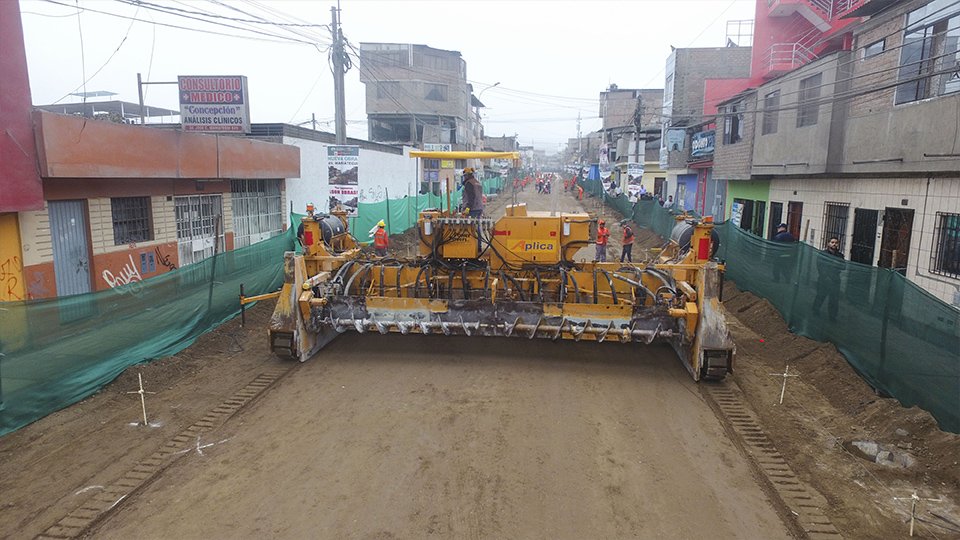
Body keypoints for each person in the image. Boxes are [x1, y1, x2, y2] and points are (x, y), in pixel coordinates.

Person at [813, 237, 844, 321]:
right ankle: (815, 310)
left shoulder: (840, 255)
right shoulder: (823, 254)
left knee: (834, 299)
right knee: (820, 296)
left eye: (836, 242)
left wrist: (837, 264)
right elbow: (819, 266)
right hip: (824, 279)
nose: (834, 244)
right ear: (828, 243)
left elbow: (843, 266)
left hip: (835, 280)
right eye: (832, 242)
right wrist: (825, 276)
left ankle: (832, 316)